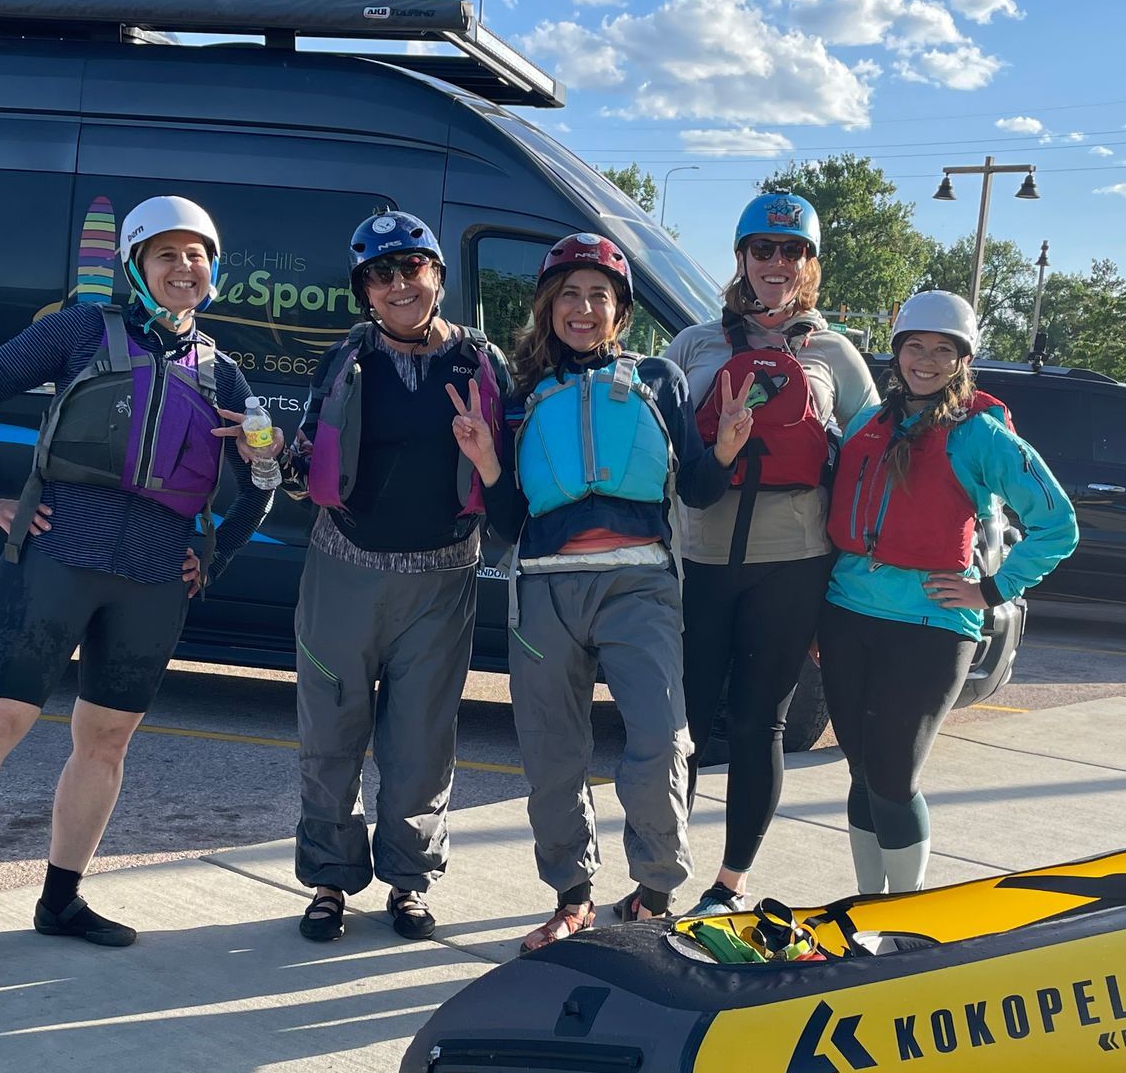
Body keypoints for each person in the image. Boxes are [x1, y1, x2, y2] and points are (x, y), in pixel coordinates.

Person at [0, 195, 277, 997]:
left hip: (156, 578)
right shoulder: (83, 331)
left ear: (215, 268)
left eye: (197, 254)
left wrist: (220, 552)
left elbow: (261, 484)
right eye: (165, 254)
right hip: (56, 558)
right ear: (134, 264)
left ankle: (61, 900)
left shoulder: (225, 373)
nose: (183, 267)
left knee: (105, 743)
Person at [485, 233, 740, 951]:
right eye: (569, 294)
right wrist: (486, 463)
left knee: (660, 741)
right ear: (547, 307)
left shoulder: (659, 380)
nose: (584, 308)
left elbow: (694, 486)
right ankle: (572, 896)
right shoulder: (519, 395)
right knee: (552, 752)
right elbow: (508, 522)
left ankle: (655, 892)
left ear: (620, 313)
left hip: (640, 585)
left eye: (599, 295)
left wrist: (722, 453)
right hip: (544, 589)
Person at [284, 210, 511, 943]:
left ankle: (409, 881)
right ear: (364, 291)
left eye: (411, 267)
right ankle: (328, 881)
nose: (398, 284)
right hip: (343, 569)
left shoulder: (482, 361)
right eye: (380, 275)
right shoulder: (345, 360)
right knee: (331, 736)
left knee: (420, 743)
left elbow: (511, 470)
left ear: (437, 276)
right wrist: (265, 456)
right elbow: (305, 466)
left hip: (443, 578)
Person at [663, 192, 877, 917]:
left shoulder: (836, 355)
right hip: (701, 557)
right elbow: (653, 442)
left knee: (761, 722)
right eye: (763, 250)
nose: (776, 264)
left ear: (810, 264)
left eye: (792, 251)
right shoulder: (695, 344)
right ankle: (661, 871)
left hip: (794, 562)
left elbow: (879, 458)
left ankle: (730, 881)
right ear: (742, 258)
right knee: (681, 722)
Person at [822, 290, 1077, 895]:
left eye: (943, 349)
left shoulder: (980, 435)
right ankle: (868, 907)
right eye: (915, 346)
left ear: (963, 360)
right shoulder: (870, 423)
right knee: (862, 772)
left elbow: (1057, 524)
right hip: (846, 616)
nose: (927, 360)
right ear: (897, 353)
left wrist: (992, 589)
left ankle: (909, 912)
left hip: (931, 627)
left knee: (893, 775)